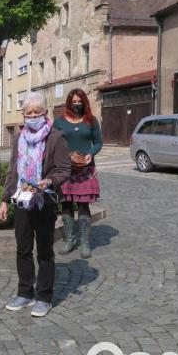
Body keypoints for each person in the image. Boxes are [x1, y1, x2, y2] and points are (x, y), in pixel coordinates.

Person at [0, 92, 71, 317]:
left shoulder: (56, 138)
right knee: (23, 249)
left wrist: (49, 181)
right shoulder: (19, 137)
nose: (32, 117)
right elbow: (13, 171)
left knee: (45, 251)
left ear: (45, 113)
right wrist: (4, 199)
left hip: (44, 201)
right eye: (28, 113)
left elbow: (64, 170)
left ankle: (44, 297)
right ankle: (25, 293)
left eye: (36, 113)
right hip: (22, 200)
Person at [53, 88, 103, 258]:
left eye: (79, 101)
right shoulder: (59, 121)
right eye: (73, 102)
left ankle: (85, 242)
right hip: (65, 169)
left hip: (85, 169)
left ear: (84, 102)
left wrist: (90, 153)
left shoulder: (91, 120)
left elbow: (98, 142)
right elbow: (53, 141)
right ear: (69, 102)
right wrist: (63, 155)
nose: (76, 104)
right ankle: (69, 239)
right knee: (66, 204)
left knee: (83, 205)